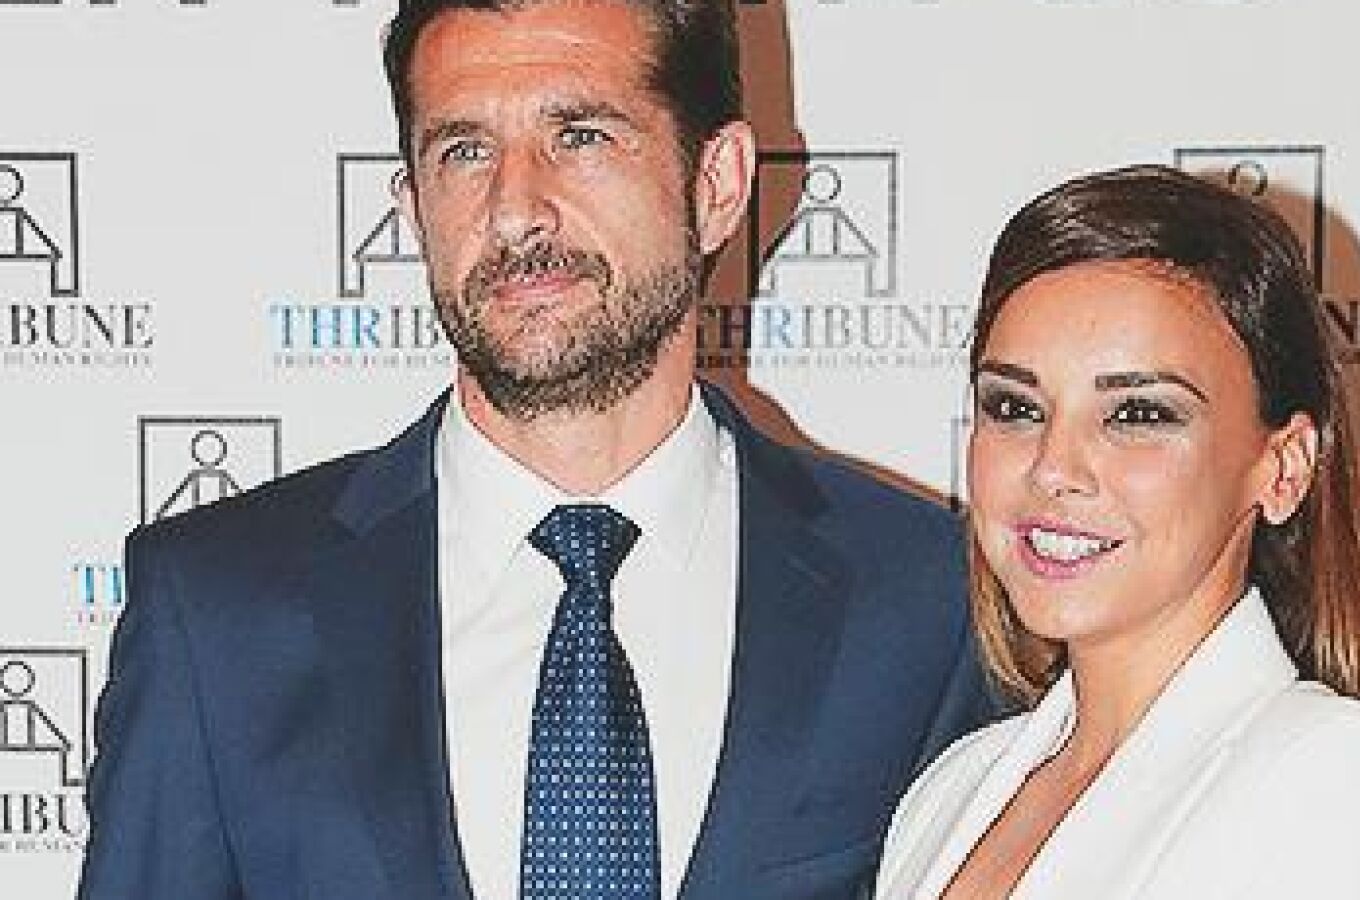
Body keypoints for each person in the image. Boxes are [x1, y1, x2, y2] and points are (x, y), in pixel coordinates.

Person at [77, 2, 993, 898]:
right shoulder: (219, 615)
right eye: (464, 151)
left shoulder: (925, 604)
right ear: (412, 206)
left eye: (581, 136)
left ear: (716, 185)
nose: (516, 211)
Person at [873, 165, 1360, 899]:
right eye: (1015, 408)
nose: (1054, 469)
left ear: (1283, 467)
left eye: (1138, 415)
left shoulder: (1345, 780)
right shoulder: (949, 792)